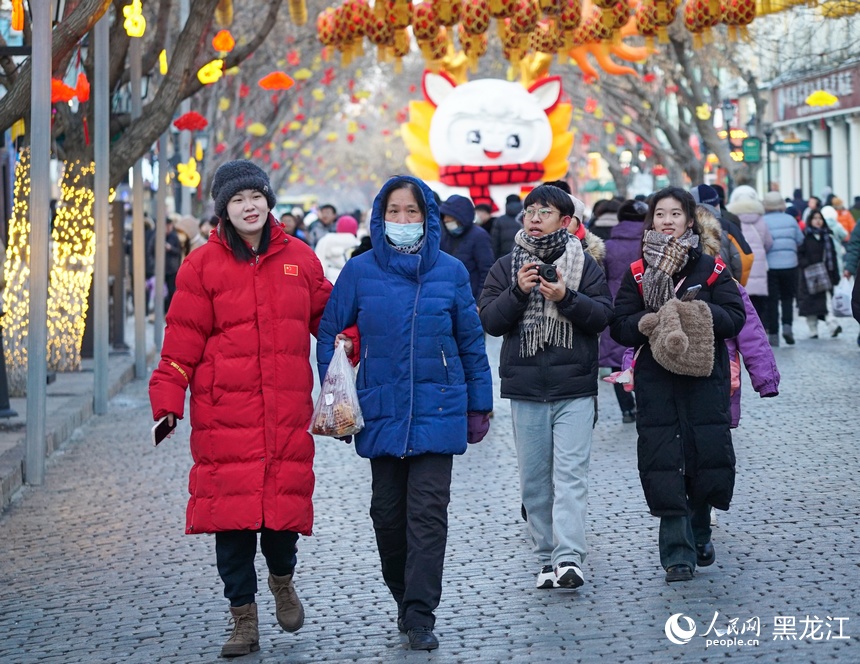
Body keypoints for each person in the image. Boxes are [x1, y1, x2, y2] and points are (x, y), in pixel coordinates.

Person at [149, 160, 357, 659]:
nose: (249, 206)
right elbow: (181, 342)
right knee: (233, 524)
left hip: (284, 411)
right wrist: (167, 402)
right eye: (238, 200)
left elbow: (328, 320)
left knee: (282, 515)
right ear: (224, 209)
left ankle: (282, 581)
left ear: (268, 201)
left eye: (256, 197)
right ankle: (243, 619)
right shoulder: (201, 266)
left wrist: (348, 341)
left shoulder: (299, 259)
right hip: (225, 414)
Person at [316, 175, 493, 652]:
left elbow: (471, 343)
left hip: (440, 409)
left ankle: (420, 613)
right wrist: (336, 391)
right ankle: (402, 594)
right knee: (388, 518)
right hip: (382, 410)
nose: (402, 220)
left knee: (429, 515)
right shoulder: (360, 270)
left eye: (411, 211)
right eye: (393, 211)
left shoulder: (452, 271)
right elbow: (330, 331)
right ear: (380, 217)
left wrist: (481, 403)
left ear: (428, 217)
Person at [479, 184, 612, 592]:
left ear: (566, 221)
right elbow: (490, 320)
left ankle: (569, 557)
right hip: (525, 389)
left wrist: (566, 298)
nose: (534, 218)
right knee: (535, 481)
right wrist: (518, 292)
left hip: (574, 388)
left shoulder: (585, 265)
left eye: (545, 211)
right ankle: (545, 555)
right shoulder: (505, 266)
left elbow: (602, 315)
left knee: (571, 476)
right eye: (530, 210)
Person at [610, 186, 746, 583]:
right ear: (651, 220)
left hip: (704, 377)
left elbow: (734, 317)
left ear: (690, 219)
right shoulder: (638, 272)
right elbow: (619, 325)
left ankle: (700, 532)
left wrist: (694, 314)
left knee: (704, 456)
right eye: (660, 214)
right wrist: (646, 323)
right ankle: (676, 553)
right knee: (664, 460)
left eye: (675, 214)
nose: (667, 221)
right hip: (657, 379)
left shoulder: (713, 268)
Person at [600, 199, 647, 423]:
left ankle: (627, 409)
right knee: (645, 353)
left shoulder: (607, 246)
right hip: (646, 304)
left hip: (615, 306)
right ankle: (646, 403)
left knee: (617, 357)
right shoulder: (650, 243)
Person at [726, 186, 772, 342]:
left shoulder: (732, 220)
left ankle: (745, 333)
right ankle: (761, 331)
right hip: (759, 266)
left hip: (743, 266)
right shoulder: (761, 220)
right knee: (760, 303)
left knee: (744, 301)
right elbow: (768, 242)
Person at [762, 192, 804, 345]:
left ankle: (774, 334)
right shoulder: (791, 219)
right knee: (788, 297)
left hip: (771, 266)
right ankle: (788, 326)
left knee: (772, 300)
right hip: (790, 264)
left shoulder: (763, 221)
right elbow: (800, 239)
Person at [439, 194, 496, 304]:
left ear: (461, 217)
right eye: (445, 217)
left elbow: (487, 271)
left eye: (450, 217)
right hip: (446, 298)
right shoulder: (445, 235)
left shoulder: (479, 236)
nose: (446, 220)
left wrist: (480, 302)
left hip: (470, 300)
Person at [797, 209, 842, 339]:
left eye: (820, 218)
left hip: (826, 275)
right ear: (810, 220)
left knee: (827, 302)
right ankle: (813, 329)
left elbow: (832, 257)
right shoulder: (805, 236)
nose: (818, 221)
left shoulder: (827, 236)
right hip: (809, 275)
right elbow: (799, 254)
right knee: (810, 303)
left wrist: (835, 274)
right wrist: (806, 264)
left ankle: (832, 325)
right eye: (815, 218)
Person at [314, 215, 360, 284]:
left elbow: (318, 263)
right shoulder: (357, 244)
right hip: (350, 283)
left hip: (328, 283)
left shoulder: (325, 241)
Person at [491, 193, 524, 259]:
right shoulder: (526, 218)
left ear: (506, 204)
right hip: (522, 257)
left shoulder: (499, 220)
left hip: (504, 258)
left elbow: (494, 244)